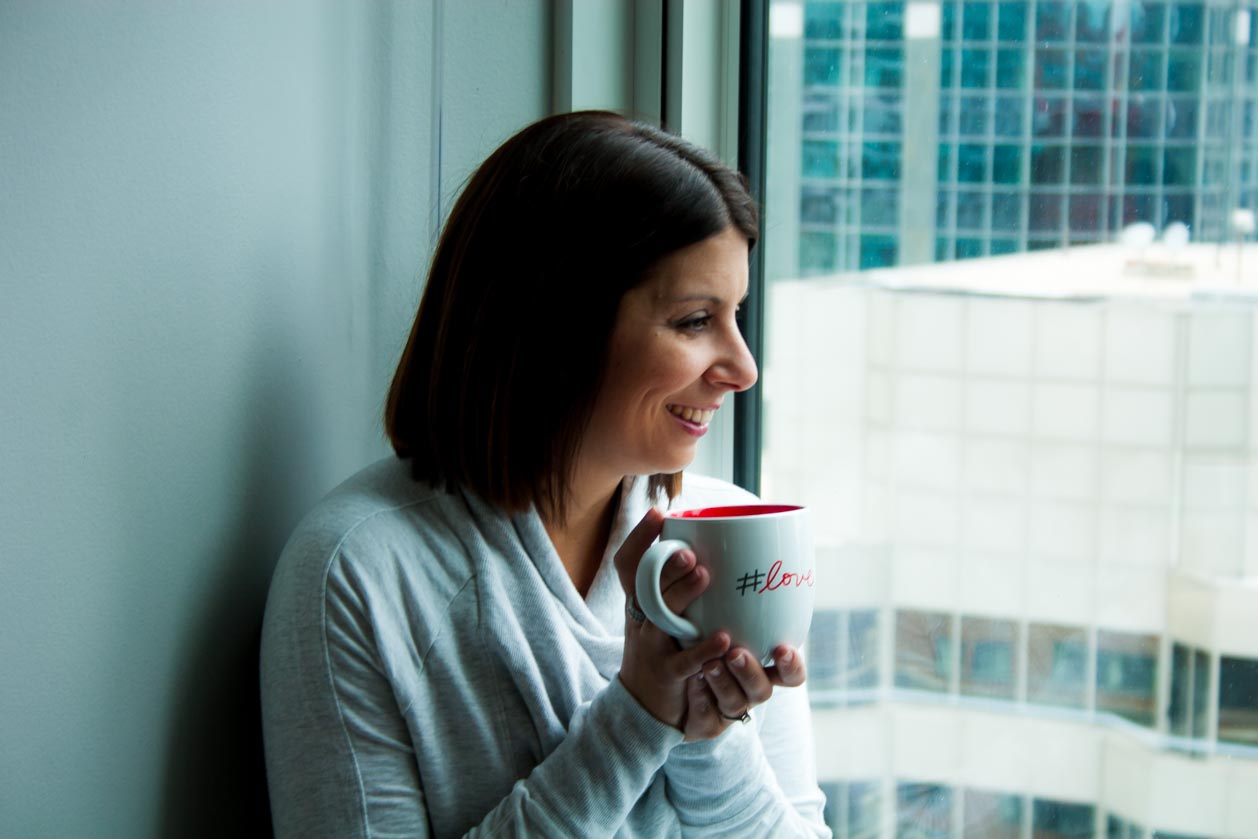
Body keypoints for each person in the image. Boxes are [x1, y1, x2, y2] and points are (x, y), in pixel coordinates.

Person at [260, 110, 830, 838]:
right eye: (694, 320)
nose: (742, 367)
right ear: (560, 323)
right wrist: (638, 714)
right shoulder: (360, 573)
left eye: (737, 314)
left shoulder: (732, 539)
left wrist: (709, 736)